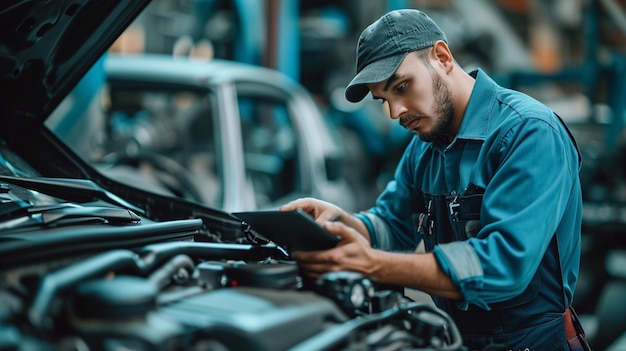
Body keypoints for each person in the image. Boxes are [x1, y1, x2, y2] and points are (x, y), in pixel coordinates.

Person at [280, 8, 592, 351]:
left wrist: (374, 265)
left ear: (442, 57)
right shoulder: (423, 149)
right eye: (385, 99)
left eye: (402, 86)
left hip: (534, 342)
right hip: (456, 340)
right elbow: (392, 225)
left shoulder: (528, 133)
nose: (395, 112)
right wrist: (346, 223)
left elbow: (504, 266)